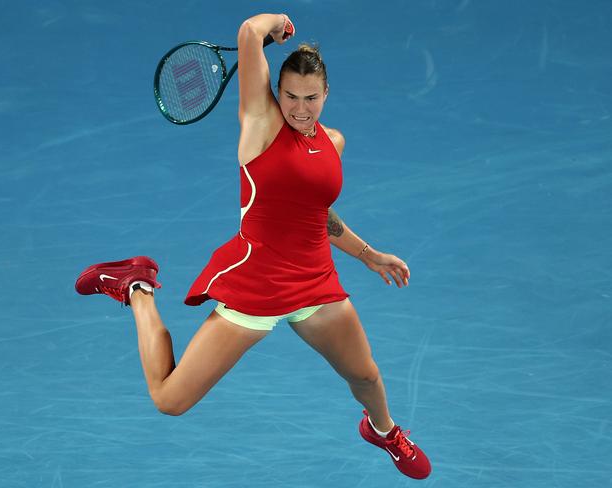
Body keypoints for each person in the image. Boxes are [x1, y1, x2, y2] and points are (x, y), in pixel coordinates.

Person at [75, 13, 431, 480]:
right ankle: (136, 286)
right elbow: (248, 33)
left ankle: (383, 431)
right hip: (258, 284)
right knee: (169, 399)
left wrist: (369, 255)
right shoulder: (260, 124)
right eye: (289, 96)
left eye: (310, 98)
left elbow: (317, 215)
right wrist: (276, 24)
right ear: (274, 94)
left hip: (314, 282)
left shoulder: (333, 143)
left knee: (365, 375)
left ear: (326, 95)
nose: (299, 109)